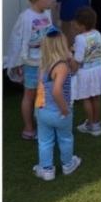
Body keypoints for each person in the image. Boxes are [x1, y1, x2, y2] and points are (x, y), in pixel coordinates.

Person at [4, 0, 54, 140]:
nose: (50, 0)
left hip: (46, 61)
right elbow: (18, 41)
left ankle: (43, 125)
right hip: (31, 63)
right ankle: (28, 127)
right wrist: (20, 61)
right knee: (30, 94)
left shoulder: (47, 14)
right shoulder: (26, 17)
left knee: (45, 93)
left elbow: (51, 34)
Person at [33, 28, 80, 180]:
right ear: (62, 45)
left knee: (45, 141)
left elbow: (41, 87)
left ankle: (46, 170)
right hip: (59, 111)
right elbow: (56, 91)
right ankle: (68, 165)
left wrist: (70, 58)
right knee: (65, 138)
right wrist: (65, 109)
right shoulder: (62, 66)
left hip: (42, 110)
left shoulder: (43, 65)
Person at [71, 6, 101, 138]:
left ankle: (91, 124)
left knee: (86, 98)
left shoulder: (80, 38)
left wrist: (72, 57)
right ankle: (96, 123)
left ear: (81, 25)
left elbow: (79, 58)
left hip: (85, 71)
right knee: (96, 97)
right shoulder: (98, 34)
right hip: (98, 69)